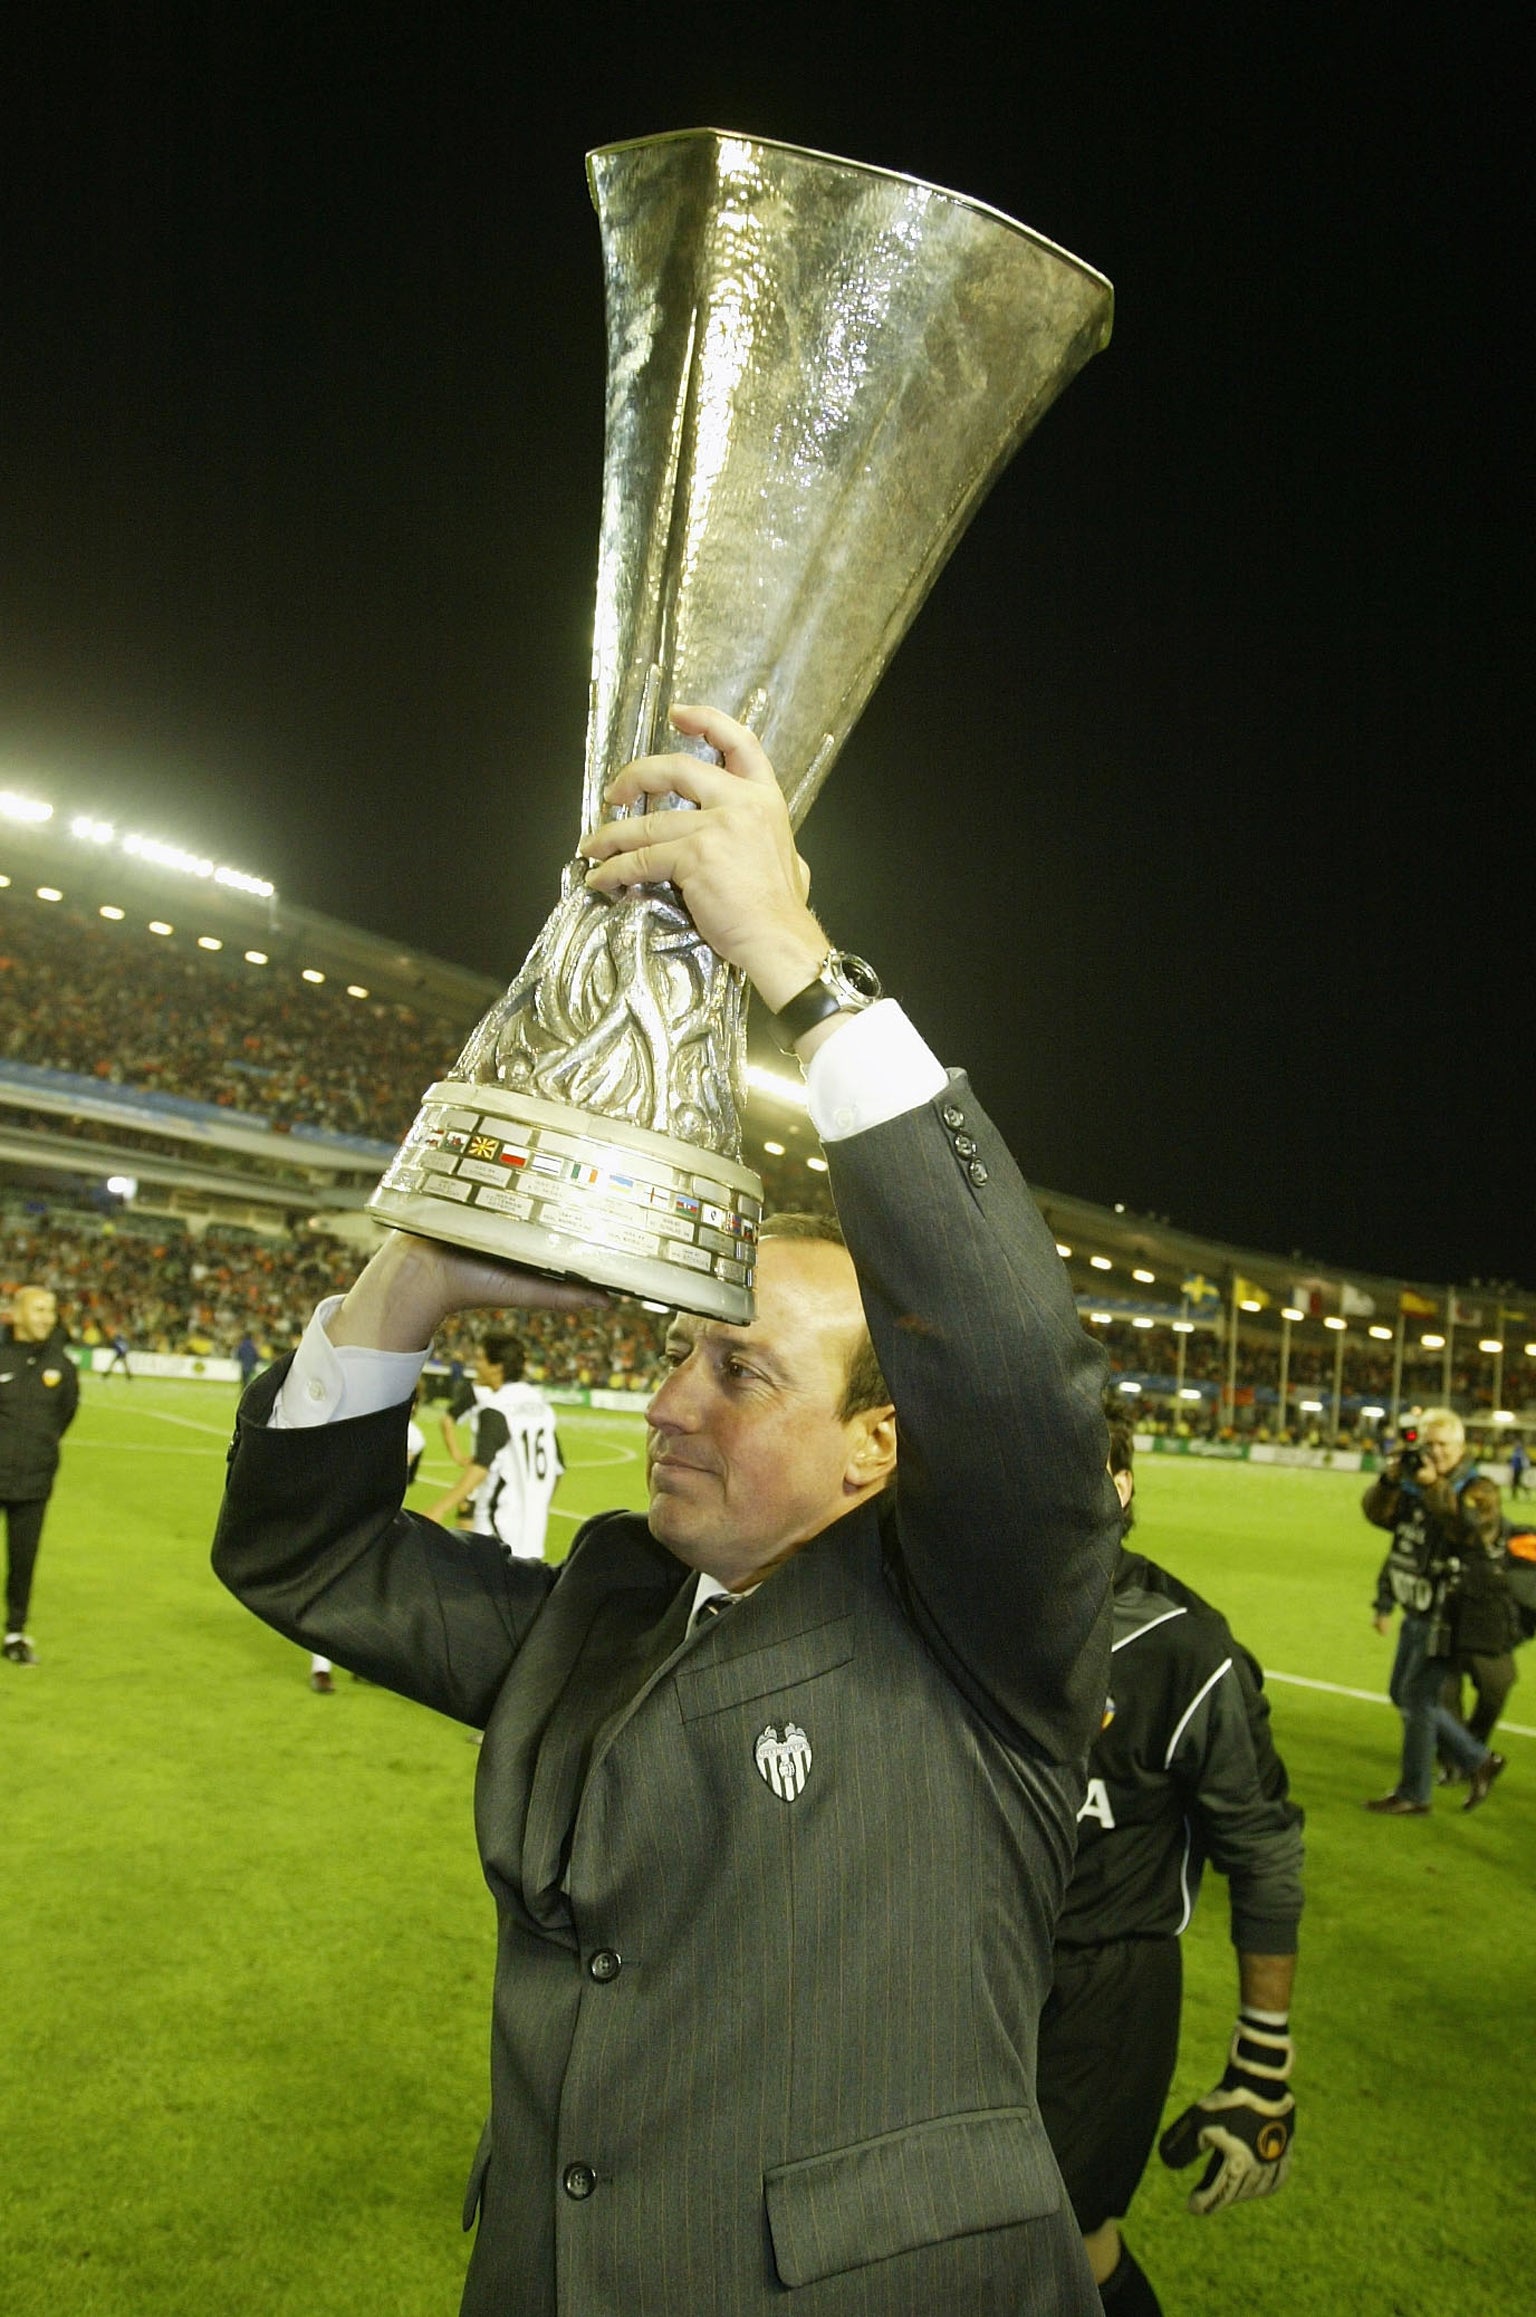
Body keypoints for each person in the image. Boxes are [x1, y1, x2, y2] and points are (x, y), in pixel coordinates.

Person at [213, 703, 1120, 2315]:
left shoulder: (981, 1642)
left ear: (880, 1449)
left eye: (744, 1375)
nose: (668, 1403)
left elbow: (1007, 1358)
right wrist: (415, 1276)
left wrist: (791, 953)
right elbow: (307, 1550)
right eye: (679, 1355)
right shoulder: (604, 1612)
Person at [1038, 1420, 1302, 2317]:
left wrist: (1262, 2062)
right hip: (968, 1969)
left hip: (1104, 1989)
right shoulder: (959, 1609)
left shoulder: (1185, 1651)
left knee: (1063, 2237)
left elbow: (1263, 1851)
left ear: (1121, 1484)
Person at [1364, 1409, 1503, 1813]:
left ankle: (1414, 1793)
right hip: (1418, 1608)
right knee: (1403, 1694)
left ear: (1461, 1447)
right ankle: (1479, 1760)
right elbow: (1378, 1516)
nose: (1436, 1452)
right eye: (1430, 1444)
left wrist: (1435, 1486)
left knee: (1418, 1698)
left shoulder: (1479, 1488)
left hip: (1453, 1613)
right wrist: (1390, 1479)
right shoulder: (1412, 1485)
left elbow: (1473, 1531)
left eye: (1444, 1445)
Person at [309, 1393, 427, 1693]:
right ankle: (321, 1668)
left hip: (382, 1520)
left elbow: (402, 1479)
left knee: (372, 1590)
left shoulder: (414, 1437)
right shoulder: (364, 1424)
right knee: (333, 1587)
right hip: (345, 1514)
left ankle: (360, 1662)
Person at [425, 1332, 562, 1560]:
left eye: (480, 1359)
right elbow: (558, 1469)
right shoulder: (540, 1404)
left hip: (496, 1533)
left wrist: (439, 1508)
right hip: (533, 1537)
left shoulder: (496, 1408)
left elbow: (481, 1467)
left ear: (497, 1366)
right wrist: (535, 1505)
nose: (476, 1365)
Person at [1, 1284, 82, 1665]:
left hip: (34, 1481)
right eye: (37, 1310)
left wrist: (38, 1449)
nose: (46, 1317)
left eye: (50, 1310)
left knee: (23, 1561)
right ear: (16, 1314)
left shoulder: (61, 1364)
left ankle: (15, 1633)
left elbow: (65, 1414)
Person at [1435, 1476, 1526, 1762]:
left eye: (1485, 1504)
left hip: (1491, 1633)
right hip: (1446, 1628)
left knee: (1496, 1689)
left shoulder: (1517, 1539)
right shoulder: (1447, 1536)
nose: (1479, 1512)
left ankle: (1472, 1746)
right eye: (1473, 1504)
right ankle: (1454, 1758)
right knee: (1443, 1695)